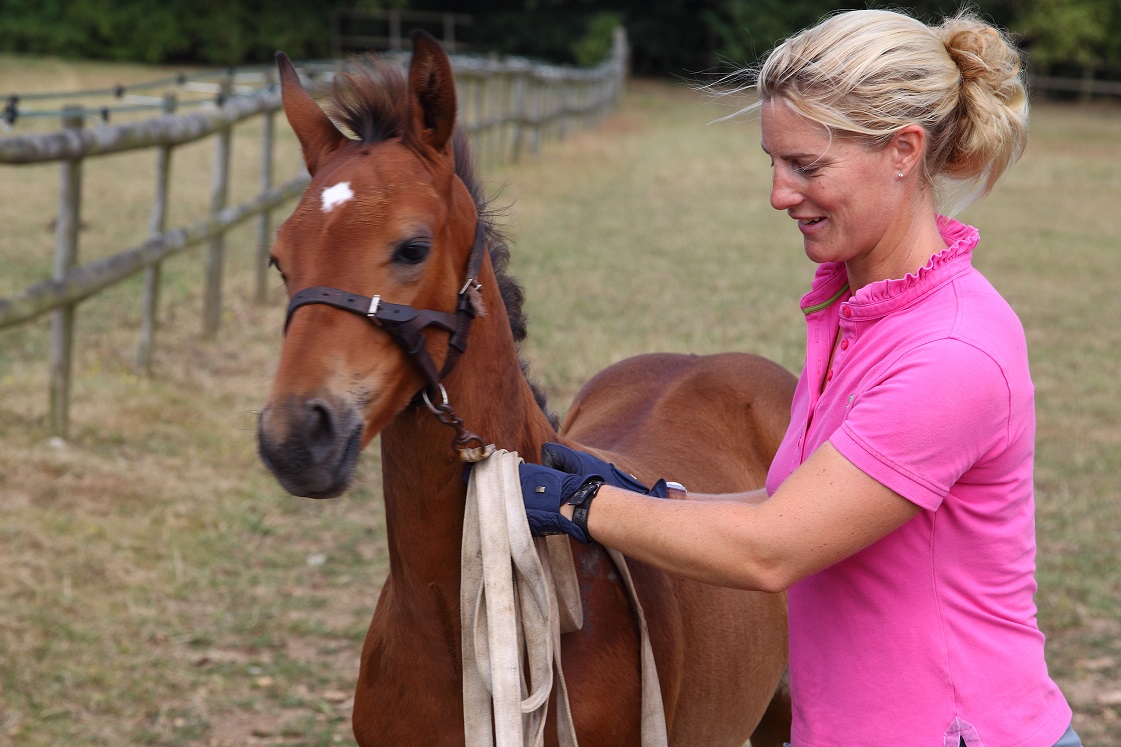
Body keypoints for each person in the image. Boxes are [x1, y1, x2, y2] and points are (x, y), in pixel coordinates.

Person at [518, 8, 1082, 747]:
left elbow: (771, 547)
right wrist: (651, 499)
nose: (779, 194)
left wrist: (579, 503)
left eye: (806, 167)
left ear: (903, 150)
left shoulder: (950, 351)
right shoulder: (865, 313)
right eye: (773, 162)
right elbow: (798, 503)